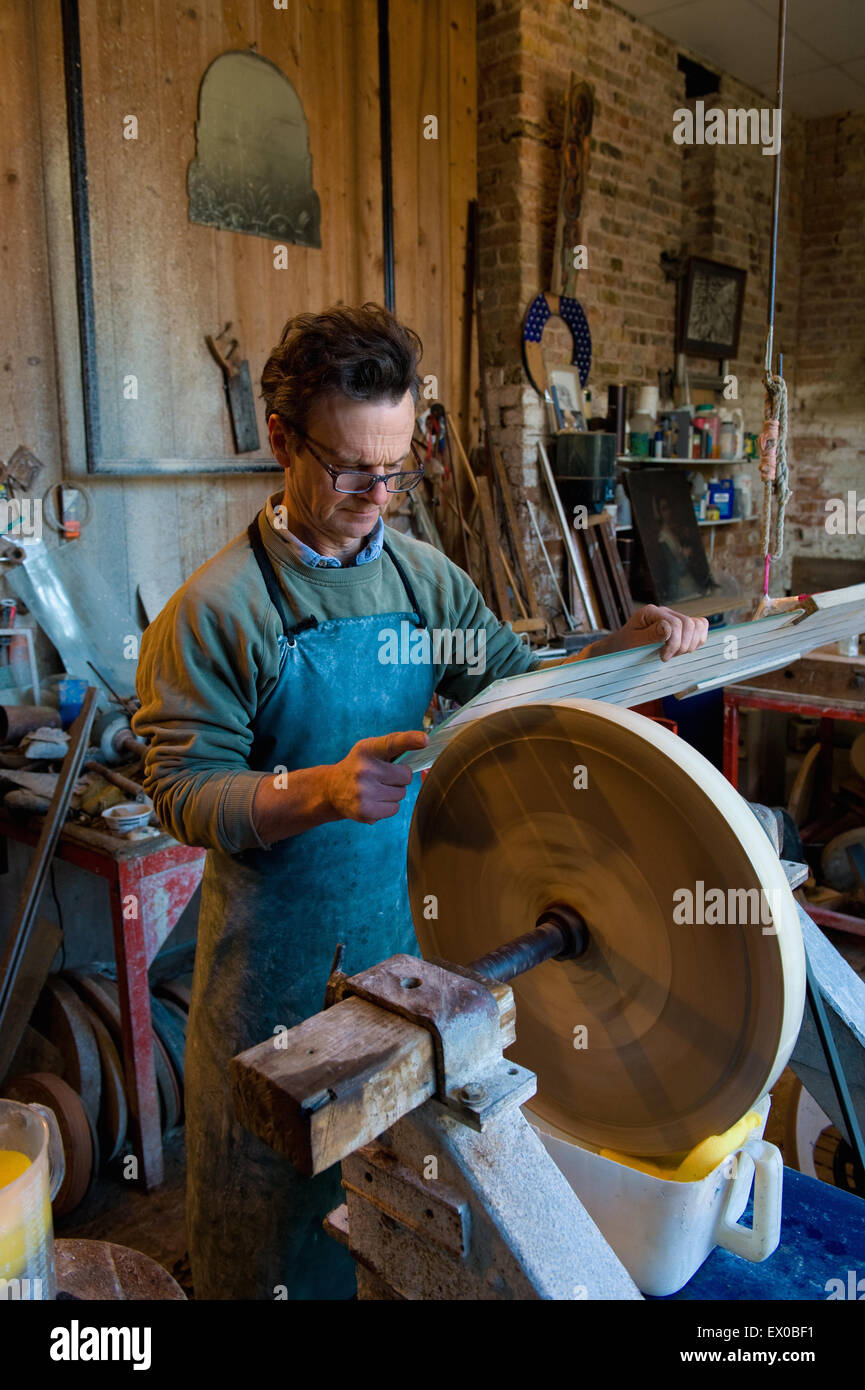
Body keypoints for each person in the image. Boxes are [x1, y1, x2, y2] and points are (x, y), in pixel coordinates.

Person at [133, 303, 708, 1300]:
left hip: (400, 962)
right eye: (353, 469)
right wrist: (313, 788)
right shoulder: (215, 611)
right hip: (268, 980)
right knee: (265, 1236)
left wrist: (617, 649)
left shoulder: (426, 586)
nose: (377, 495)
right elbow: (180, 790)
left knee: (391, 1218)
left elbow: (510, 687)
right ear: (280, 439)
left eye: (396, 469)